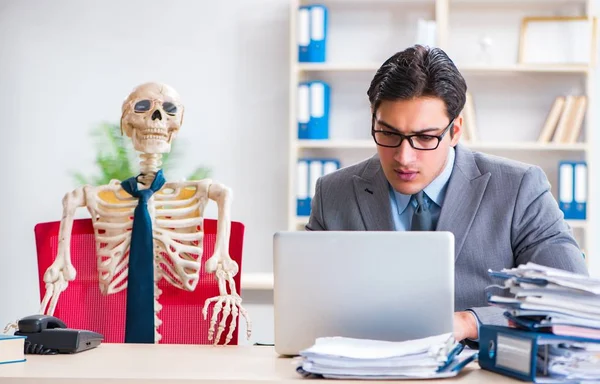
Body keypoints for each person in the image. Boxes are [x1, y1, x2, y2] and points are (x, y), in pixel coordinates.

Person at [305, 44, 588, 344]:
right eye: (388, 133)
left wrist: (471, 322)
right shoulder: (332, 193)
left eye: (425, 137)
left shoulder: (520, 189)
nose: (404, 157)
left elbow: (571, 301)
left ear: (455, 132)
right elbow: (307, 305)